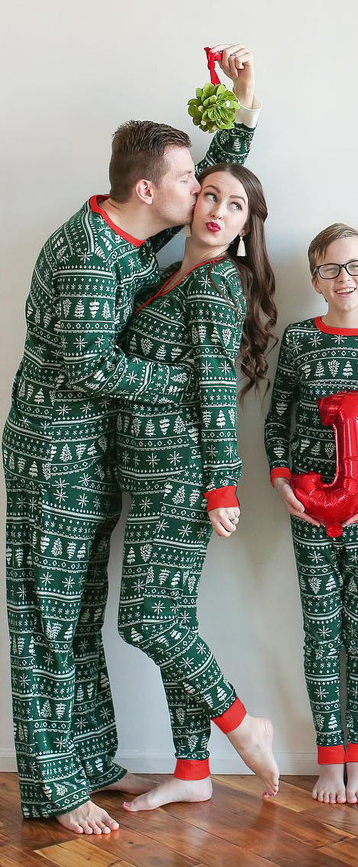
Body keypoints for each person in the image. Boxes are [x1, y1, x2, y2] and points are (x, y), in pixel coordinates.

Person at [3, 45, 258, 834]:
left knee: (81, 616)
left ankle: (90, 760)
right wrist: (184, 388)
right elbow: (87, 366)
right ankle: (53, 788)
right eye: (188, 182)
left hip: (94, 461)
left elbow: (216, 186)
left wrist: (242, 113)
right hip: (53, 461)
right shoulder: (88, 256)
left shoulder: (131, 235)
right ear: (149, 190)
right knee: (45, 618)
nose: (200, 192)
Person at [115, 163, 280, 810]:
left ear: (245, 228)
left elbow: (216, 391)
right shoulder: (169, 274)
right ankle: (191, 771)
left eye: (235, 205)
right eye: (208, 194)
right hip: (149, 472)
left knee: (146, 620)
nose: (217, 208)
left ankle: (244, 726)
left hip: (182, 477)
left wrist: (222, 486)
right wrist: (239, 111)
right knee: (172, 619)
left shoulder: (215, 287)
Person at [264, 224, 358, 805]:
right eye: (331, 269)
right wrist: (280, 479)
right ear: (315, 279)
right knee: (322, 631)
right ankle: (330, 758)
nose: (343, 278)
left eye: (354, 267)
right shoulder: (299, 339)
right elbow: (277, 418)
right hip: (309, 510)